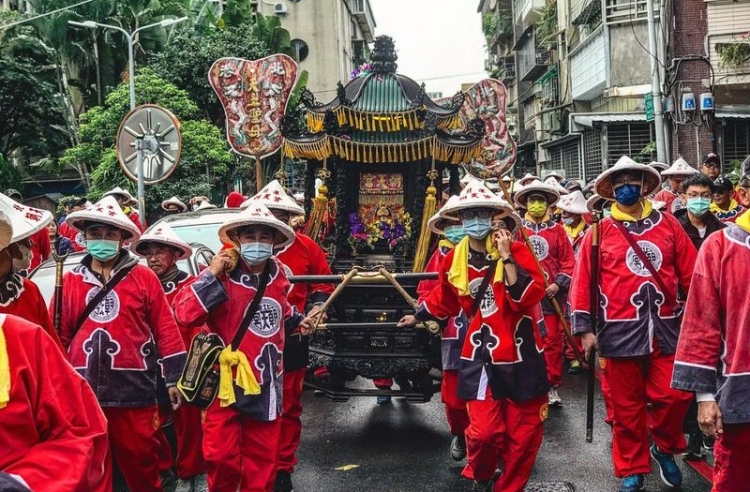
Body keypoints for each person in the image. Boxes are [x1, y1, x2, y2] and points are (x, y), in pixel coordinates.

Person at [398, 181, 549, 492]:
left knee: (524, 436)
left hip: (523, 354)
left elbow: (527, 297)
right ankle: (481, 475)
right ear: (460, 221)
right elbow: (446, 298)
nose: (476, 221)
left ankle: (508, 487)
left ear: (494, 216)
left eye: (482, 214)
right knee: (483, 433)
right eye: (469, 215)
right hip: (480, 355)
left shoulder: (519, 251)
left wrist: (507, 257)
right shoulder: (454, 259)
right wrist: (420, 314)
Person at [569, 156, 697, 492]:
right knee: (626, 408)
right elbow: (582, 283)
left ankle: (663, 446)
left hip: (667, 329)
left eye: (632, 181)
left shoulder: (669, 225)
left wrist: (700, 317)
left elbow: (692, 275)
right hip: (619, 330)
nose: (626, 187)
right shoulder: (598, 232)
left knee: (676, 396)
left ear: (643, 185)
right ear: (611, 189)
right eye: (620, 182)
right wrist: (584, 329)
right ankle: (632, 467)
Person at [174, 202, 315, 492]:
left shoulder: (278, 275)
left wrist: (299, 320)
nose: (257, 242)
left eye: (264, 236)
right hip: (225, 383)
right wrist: (211, 274)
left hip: (266, 383)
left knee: (262, 463)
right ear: (237, 239)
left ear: (275, 241)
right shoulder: (221, 274)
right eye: (249, 236)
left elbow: (281, 310)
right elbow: (185, 314)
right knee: (221, 458)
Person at [55, 196, 187, 492]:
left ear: (124, 238)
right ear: (84, 237)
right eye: (95, 234)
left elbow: (166, 329)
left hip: (134, 389)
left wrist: (174, 379)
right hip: (83, 391)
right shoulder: (70, 279)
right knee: (92, 468)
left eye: (110, 234)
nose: (102, 240)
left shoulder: (143, 278)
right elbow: (59, 335)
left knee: (142, 464)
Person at [243, 180, 334, 492]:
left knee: (288, 406)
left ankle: (282, 466)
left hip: (291, 336)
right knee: (247, 405)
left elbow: (323, 285)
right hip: (248, 343)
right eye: (268, 214)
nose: (274, 220)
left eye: (281, 216)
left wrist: (318, 308)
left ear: (289, 220)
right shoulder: (234, 252)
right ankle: (253, 465)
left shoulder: (307, 246)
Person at [671, 199, 750, 492]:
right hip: (741, 395)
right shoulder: (721, 246)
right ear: (744, 191)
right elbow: (701, 325)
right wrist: (704, 396)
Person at [133, 225, 207, 492]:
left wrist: (192, 373)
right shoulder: (138, 286)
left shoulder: (190, 287)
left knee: (187, 426)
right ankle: (165, 470)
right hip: (145, 369)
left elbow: (199, 334)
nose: (153, 259)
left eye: (160, 253)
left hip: (182, 368)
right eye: (148, 254)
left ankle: (188, 473)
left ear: (175, 255)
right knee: (150, 426)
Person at [416, 196, 470, 462]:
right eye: (449, 224)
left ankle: (488, 447)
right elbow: (427, 291)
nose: (454, 229)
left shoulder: (497, 251)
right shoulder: (440, 256)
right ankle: (460, 432)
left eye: (458, 222)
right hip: (454, 333)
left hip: (491, 336)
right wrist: (426, 316)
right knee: (455, 397)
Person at [515, 179, 575, 406]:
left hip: (550, 297)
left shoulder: (558, 231)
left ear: (549, 204)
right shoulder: (519, 231)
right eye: (532, 200)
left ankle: (550, 385)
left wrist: (558, 284)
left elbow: (569, 262)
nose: (536, 204)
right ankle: (527, 382)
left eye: (541, 200)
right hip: (525, 295)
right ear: (526, 203)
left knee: (550, 341)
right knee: (524, 338)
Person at [0, 194, 62, 350]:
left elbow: (51, 349)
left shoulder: (29, 290)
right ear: (7, 246)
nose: (31, 242)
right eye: (25, 238)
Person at [556, 190, 590, 374]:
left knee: (579, 316)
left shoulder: (590, 231)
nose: (565, 216)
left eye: (568, 213)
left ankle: (581, 354)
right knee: (563, 319)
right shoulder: (559, 230)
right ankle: (570, 354)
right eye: (563, 213)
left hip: (583, 278)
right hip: (564, 280)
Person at [676, 173, 725, 251]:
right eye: (693, 195)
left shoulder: (722, 230)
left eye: (705, 195)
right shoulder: (675, 228)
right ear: (684, 198)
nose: (699, 199)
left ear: (711, 198)